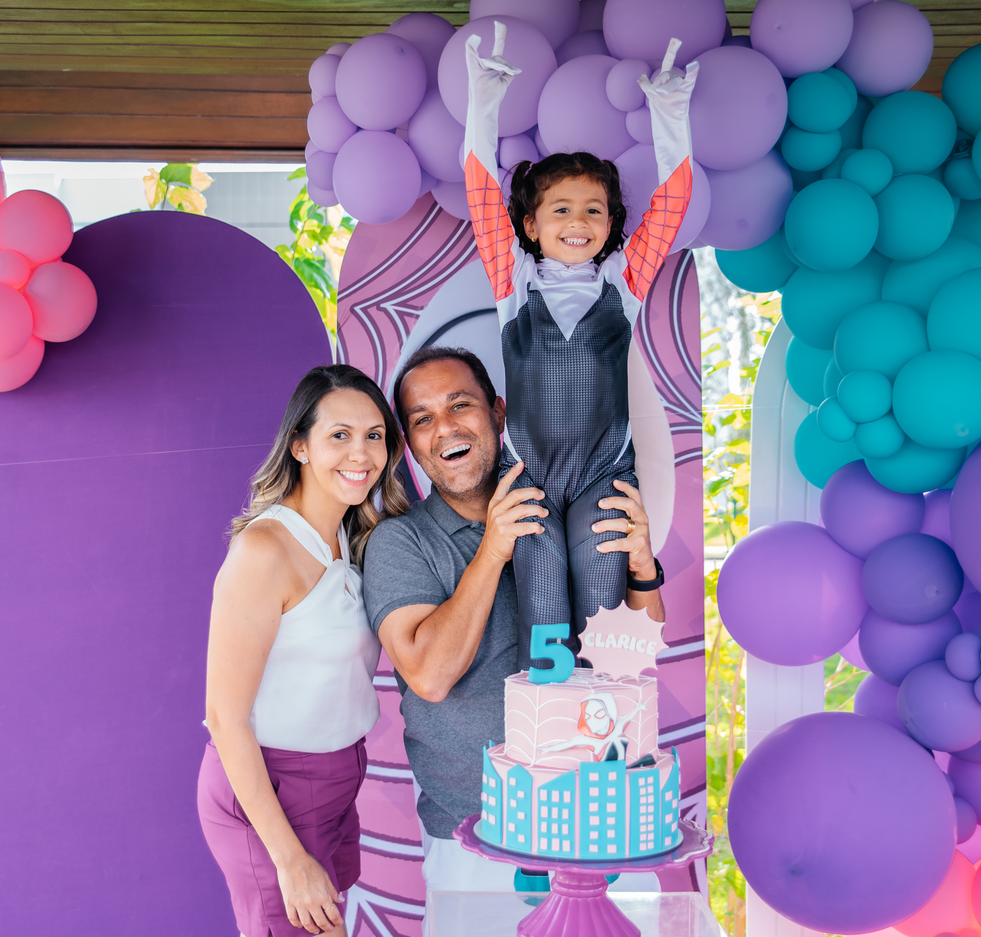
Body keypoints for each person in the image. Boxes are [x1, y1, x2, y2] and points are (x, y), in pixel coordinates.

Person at [362, 346, 664, 925]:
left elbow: (637, 657)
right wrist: (494, 547)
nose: (444, 428)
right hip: (474, 842)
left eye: (460, 405)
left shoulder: (569, 511)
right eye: (422, 418)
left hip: (603, 818)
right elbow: (429, 675)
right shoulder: (401, 542)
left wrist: (643, 568)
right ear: (409, 443)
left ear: (499, 413)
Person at [463, 25, 696, 667]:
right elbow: (481, 193)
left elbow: (672, 205)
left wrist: (669, 113)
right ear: (531, 224)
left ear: (612, 224)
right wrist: (483, 103)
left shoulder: (624, 282)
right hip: (529, 475)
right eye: (560, 209)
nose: (578, 221)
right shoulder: (513, 281)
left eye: (594, 210)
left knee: (600, 602)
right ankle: (549, 716)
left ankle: (604, 715)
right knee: (542, 607)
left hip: (604, 472)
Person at [198, 364, 408, 937]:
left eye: (374, 435)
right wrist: (289, 860)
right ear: (300, 446)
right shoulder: (265, 549)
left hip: (339, 781)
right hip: (272, 792)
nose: (360, 453)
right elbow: (224, 717)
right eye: (339, 435)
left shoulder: (349, 534)